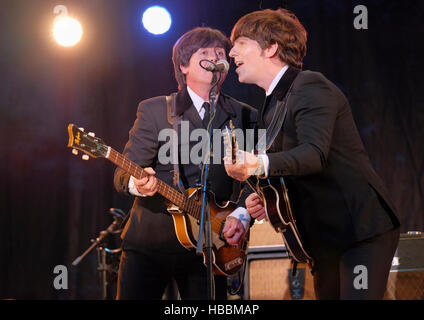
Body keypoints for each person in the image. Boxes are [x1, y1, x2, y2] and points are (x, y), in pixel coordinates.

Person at [224, 9, 400, 300]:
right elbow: (280, 173)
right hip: (322, 239)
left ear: (271, 48)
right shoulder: (272, 104)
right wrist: (250, 207)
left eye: (241, 43)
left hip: (359, 230)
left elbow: (313, 154)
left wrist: (257, 163)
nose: (232, 53)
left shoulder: (310, 85)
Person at [113, 27, 256, 300]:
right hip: (150, 243)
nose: (215, 59)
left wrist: (240, 215)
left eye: (220, 53)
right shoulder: (155, 110)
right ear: (183, 65)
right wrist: (137, 183)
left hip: (210, 247)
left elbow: (256, 179)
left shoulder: (244, 115)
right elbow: (123, 173)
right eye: (205, 53)